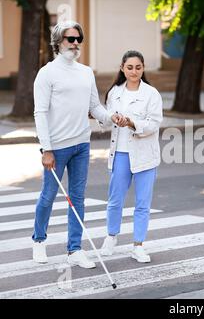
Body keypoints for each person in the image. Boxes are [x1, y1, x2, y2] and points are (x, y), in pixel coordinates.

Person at [32, 21, 122, 268]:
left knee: (78, 198)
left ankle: (74, 249)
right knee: (48, 196)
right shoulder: (47, 73)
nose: (75, 44)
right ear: (57, 42)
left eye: (78, 39)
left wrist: (111, 117)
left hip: (82, 144)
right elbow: (40, 112)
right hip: (57, 147)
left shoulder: (85, 72)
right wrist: (46, 148)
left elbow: (94, 107)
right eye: (70, 39)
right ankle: (39, 240)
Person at [99, 50, 163, 263]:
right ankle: (111, 237)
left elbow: (154, 124)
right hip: (121, 153)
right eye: (129, 67)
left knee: (143, 202)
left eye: (138, 67)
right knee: (115, 199)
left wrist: (133, 123)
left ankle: (138, 245)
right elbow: (105, 120)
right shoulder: (115, 92)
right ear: (122, 68)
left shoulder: (152, 94)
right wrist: (112, 117)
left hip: (145, 154)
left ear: (143, 69)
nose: (134, 71)